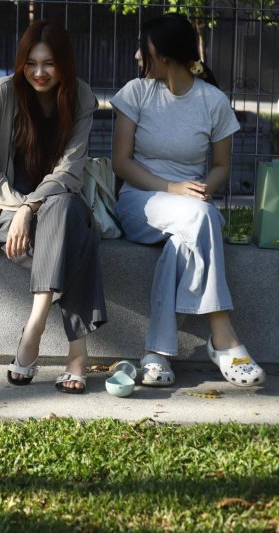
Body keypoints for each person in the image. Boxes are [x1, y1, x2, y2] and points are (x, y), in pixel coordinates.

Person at [111, 13, 266, 387]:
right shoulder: (136, 93)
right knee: (202, 218)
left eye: (143, 48)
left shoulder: (212, 101)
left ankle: (157, 354)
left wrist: (202, 189)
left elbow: (221, 166)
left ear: (164, 55)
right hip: (140, 202)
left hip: (191, 209)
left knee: (184, 240)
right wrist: (172, 187)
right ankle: (222, 332)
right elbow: (121, 162)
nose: (136, 56)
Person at [0, 20, 107, 394]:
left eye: (49, 63)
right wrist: (20, 208)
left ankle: (36, 324)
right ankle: (77, 354)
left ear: (64, 63)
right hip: (2, 208)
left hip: (51, 204)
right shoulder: (3, 93)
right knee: (78, 237)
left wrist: (31, 208)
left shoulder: (81, 97)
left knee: (62, 209)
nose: (39, 72)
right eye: (31, 63)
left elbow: (70, 169)